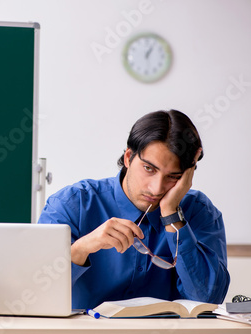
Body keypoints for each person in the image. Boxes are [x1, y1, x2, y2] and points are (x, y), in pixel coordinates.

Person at [38, 110, 230, 310]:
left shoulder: (199, 212)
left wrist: (172, 216)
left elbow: (208, 300)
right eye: (149, 169)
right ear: (128, 157)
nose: (156, 189)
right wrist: (81, 249)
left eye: (173, 177)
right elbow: (34, 292)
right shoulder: (71, 204)